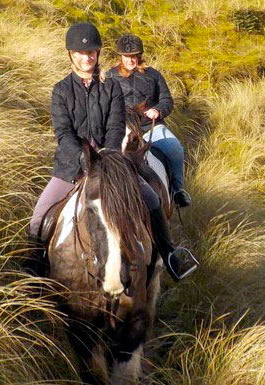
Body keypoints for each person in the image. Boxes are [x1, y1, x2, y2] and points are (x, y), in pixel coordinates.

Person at [26, 22, 197, 281]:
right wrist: (86, 161)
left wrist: (105, 157)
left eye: (92, 52)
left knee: (151, 200)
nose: (87, 57)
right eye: (81, 53)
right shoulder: (61, 90)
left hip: (110, 165)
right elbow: (64, 133)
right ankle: (34, 272)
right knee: (39, 217)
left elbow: (116, 127)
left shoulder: (111, 87)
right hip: (71, 167)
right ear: (71, 54)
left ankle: (171, 256)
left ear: (98, 53)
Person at [106, 33, 192, 208]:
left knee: (175, 149)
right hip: (124, 128)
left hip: (150, 127)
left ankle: (177, 191)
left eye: (134, 56)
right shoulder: (110, 77)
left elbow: (167, 100)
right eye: (127, 56)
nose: (131, 60)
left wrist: (158, 110)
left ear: (140, 55)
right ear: (120, 56)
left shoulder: (154, 75)